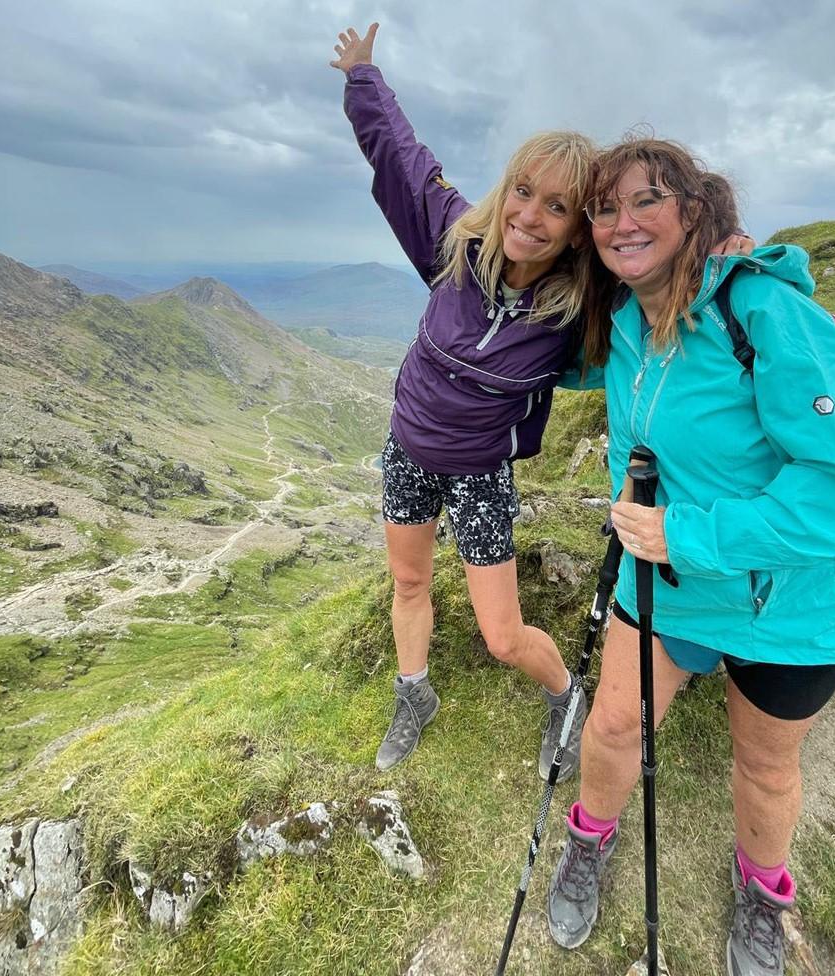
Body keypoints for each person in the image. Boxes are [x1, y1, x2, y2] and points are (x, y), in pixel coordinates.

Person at [547, 138, 835, 976]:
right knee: (615, 722)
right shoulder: (624, 322)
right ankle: (590, 840)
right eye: (604, 209)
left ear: (694, 213)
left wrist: (690, 535)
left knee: (766, 764)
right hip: (668, 585)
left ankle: (763, 894)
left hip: (797, 602)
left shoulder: (769, 314)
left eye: (646, 201)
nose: (620, 223)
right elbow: (536, 345)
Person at [330, 23, 598, 777]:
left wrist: (730, 252)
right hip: (407, 449)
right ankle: (413, 693)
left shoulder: (575, 316)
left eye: (556, 207)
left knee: (503, 636)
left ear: (579, 231)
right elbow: (402, 160)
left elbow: (663, 299)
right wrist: (362, 78)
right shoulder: (453, 244)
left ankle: (567, 697)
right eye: (523, 191)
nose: (529, 216)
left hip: (481, 474)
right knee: (409, 583)